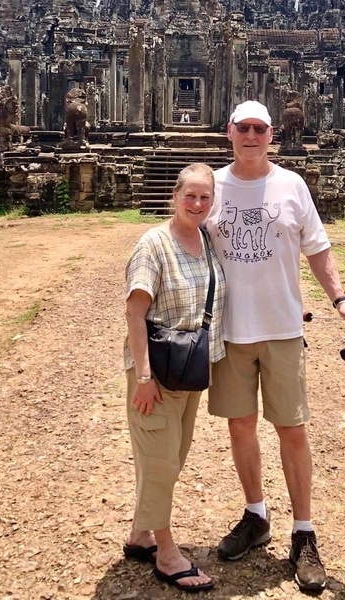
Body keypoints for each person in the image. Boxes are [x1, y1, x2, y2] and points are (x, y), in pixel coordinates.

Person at [206, 100, 345, 594]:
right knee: (240, 426)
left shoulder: (292, 185)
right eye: (243, 128)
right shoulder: (212, 186)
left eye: (259, 129)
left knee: (292, 428)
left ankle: (304, 532)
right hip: (230, 329)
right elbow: (183, 240)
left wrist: (341, 299)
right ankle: (256, 515)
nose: (251, 135)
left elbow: (318, 248)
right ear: (230, 132)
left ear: (273, 135)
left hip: (283, 326)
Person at [124, 163, 225, 593]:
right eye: (191, 195)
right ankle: (166, 554)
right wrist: (143, 375)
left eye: (205, 197)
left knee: (169, 457)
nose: (197, 203)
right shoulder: (153, 244)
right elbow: (134, 311)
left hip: (188, 367)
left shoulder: (205, 239)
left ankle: (139, 535)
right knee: (162, 459)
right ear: (175, 194)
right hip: (157, 372)